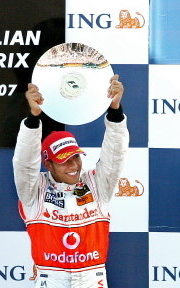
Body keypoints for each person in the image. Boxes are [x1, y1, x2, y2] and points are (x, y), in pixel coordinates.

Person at [12, 74, 129, 288]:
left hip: (92, 280)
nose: (74, 166)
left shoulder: (96, 185)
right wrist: (33, 117)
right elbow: (24, 162)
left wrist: (114, 110)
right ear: (48, 164)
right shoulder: (34, 191)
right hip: (50, 280)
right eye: (64, 161)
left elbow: (115, 155)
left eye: (75, 157)